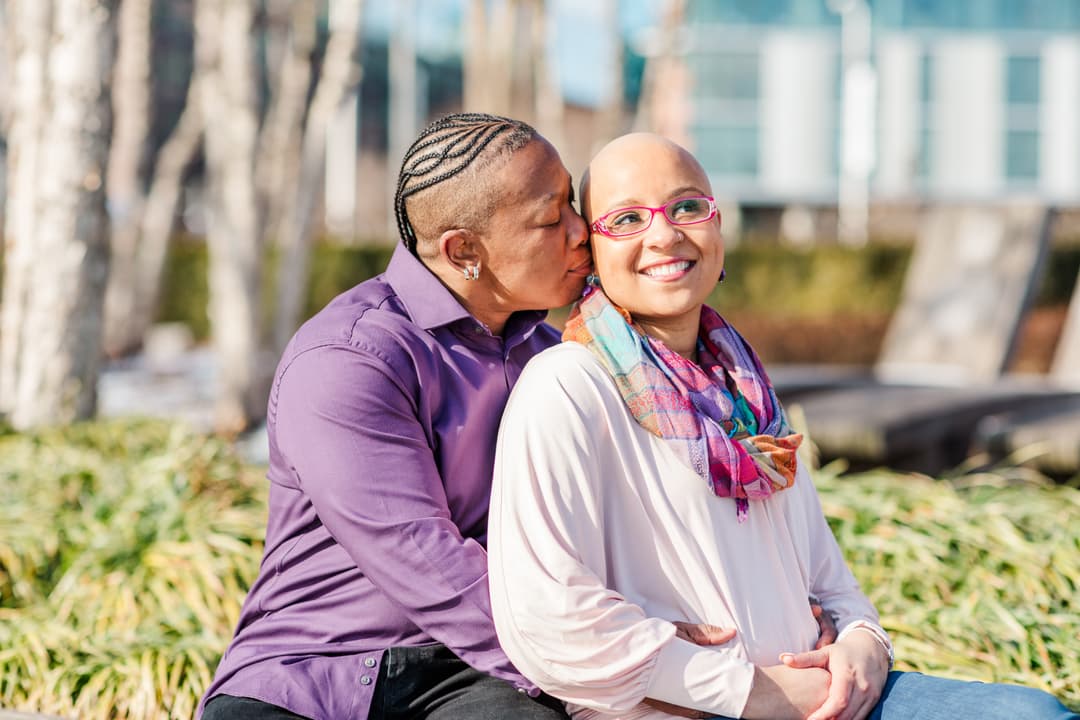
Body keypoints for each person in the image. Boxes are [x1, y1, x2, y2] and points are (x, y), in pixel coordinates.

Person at [198, 114, 832, 720]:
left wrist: (781, 610)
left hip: (470, 680)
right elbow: (425, 560)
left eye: (573, 208)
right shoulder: (350, 359)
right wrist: (620, 663)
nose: (582, 232)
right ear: (465, 249)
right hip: (311, 674)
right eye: (551, 219)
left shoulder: (557, 354)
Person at [487, 132, 1078, 720]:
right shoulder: (568, 385)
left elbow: (831, 579)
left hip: (830, 701)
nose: (665, 234)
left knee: (1038, 714)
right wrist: (746, 692)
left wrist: (865, 644)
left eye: (688, 206)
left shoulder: (747, 392)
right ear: (590, 248)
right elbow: (548, 615)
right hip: (684, 710)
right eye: (626, 219)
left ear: (717, 227)